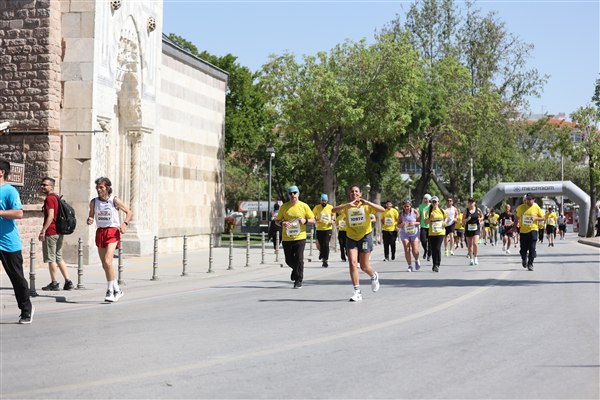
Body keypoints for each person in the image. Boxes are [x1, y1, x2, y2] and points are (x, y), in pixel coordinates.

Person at [332, 185, 384, 302]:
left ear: (360, 194)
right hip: (351, 237)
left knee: (364, 266)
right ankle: (357, 291)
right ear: (350, 194)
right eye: (352, 191)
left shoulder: (365, 206)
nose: (354, 193)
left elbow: (382, 210)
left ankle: (374, 275)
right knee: (353, 263)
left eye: (356, 191)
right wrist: (347, 205)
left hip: (365, 236)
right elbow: (333, 210)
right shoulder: (347, 206)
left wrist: (368, 202)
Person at [87, 177, 132, 302]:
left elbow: (129, 212)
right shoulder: (94, 202)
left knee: (108, 261)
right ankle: (117, 289)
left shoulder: (114, 200)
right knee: (105, 265)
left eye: (101, 187)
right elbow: (91, 215)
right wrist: (90, 219)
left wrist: (125, 223)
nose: (99, 189)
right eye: (97, 187)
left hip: (112, 231)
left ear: (107, 188)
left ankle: (110, 290)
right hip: (100, 232)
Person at [0, 159, 34, 324]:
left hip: (8, 243)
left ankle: (26, 309)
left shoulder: (10, 191)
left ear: (1, 172)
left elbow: (19, 213)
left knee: (17, 278)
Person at [275, 186, 315, 288]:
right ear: (288, 195)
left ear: (298, 194)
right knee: (288, 260)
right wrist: (283, 223)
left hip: (300, 237)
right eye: (290, 193)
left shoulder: (304, 206)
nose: (293, 195)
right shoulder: (284, 207)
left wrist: (305, 221)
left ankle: (298, 280)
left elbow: (313, 220)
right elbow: (277, 221)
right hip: (287, 237)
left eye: (295, 193)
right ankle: (295, 269)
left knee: (299, 259)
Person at [39, 177, 74, 291]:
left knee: (51, 259)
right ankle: (68, 282)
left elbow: (50, 216)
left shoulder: (50, 198)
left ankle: (54, 283)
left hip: (51, 232)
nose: (42, 187)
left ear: (51, 187)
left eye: (45, 185)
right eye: (42, 185)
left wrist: (43, 230)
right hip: (59, 231)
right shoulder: (56, 197)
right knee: (59, 257)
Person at [516, 193, 545, 271]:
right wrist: (514, 228)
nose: (528, 201)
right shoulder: (521, 207)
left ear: (533, 200)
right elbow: (517, 218)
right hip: (523, 231)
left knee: (532, 248)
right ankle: (524, 259)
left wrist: (536, 218)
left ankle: (530, 264)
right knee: (523, 249)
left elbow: (543, 218)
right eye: (527, 199)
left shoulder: (536, 207)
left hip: (533, 230)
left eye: (530, 199)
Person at [424, 196, 446, 272]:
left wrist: (445, 222)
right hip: (432, 233)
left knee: (437, 247)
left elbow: (446, 218)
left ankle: (437, 264)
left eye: (435, 202)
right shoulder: (429, 211)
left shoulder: (442, 211)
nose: (434, 203)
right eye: (433, 202)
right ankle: (434, 264)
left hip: (441, 232)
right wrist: (430, 218)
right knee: (433, 249)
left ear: (438, 202)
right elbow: (425, 222)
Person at [398, 199, 420, 272]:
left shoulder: (415, 212)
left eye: (407, 206)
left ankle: (416, 260)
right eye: (405, 206)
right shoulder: (401, 213)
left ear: (410, 206)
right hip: (405, 234)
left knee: (415, 251)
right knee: (407, 250)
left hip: (414, 233)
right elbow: (398, 225)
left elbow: (420, 222)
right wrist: (402, 224)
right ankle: (410, 266)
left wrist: (414, 223)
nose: (406, 208)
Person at [312, 194, 334, 267]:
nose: (323, 202)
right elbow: (312, 216)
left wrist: (332, 220)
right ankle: (321, 253)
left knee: (326, 244)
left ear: (327, 201)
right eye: (322, 201)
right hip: (319, 229)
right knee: (321, 245)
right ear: (320, 201)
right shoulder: (317, 207)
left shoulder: (330, 207)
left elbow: (333, 215)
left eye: (325, 201)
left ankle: (325, 259)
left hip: (328, 229)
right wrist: (316, 220)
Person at [463, 197, 483, 266]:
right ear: (468, 203)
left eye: (472, 202)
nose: (471, 203)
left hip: (476, 229)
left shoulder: (478, 210)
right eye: (469, 202)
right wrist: (467, 219)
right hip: (468, 229)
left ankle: (476, 258)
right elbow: (462, 221)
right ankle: (471, 259)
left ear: (474, 203)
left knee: (475, 243)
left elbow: (482, 216)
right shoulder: (466, 211)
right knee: (469, 245)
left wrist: (480, 219)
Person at [418, 194, 432, 261]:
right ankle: (425, 250)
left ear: (429, 199)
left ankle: (429, 255)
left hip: (430, 226)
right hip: (423, 226)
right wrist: (417, 223)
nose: (425, 200)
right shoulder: (421, 206)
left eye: (426, 199)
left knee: (430, 242)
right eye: (424, 198)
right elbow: (419, 216)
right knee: (423, 240)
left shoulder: (431, 206)